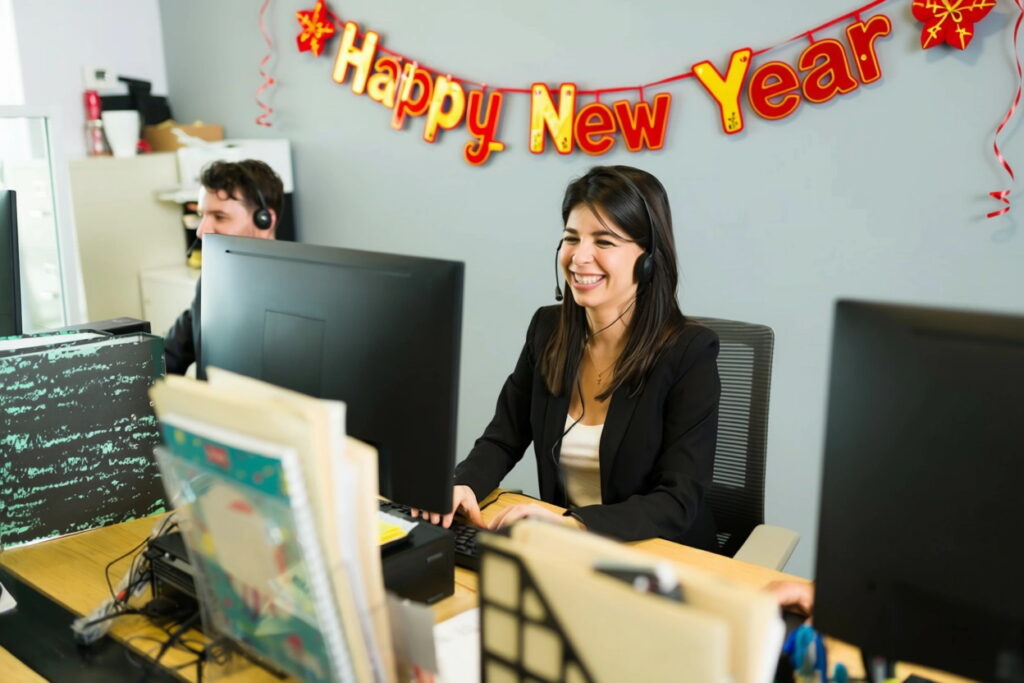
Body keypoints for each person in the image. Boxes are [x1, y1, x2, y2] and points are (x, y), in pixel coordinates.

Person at [418, 165, 722, 551]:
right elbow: (503, 438)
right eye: (571, 238)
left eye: (604, 242)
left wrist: (575, 523)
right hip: (565, 551)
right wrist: (463, 484)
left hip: (658, 556)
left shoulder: (690, 353)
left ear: (648, 258)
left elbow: (678, 499)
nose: (579, 257)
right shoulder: (548, 330)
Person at [163, 159, 283, 375]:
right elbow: (169, 355)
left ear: (264, 221)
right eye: (202, 215)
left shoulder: (300, 293)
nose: (201, 231)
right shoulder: (212, 281)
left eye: (219, 217)